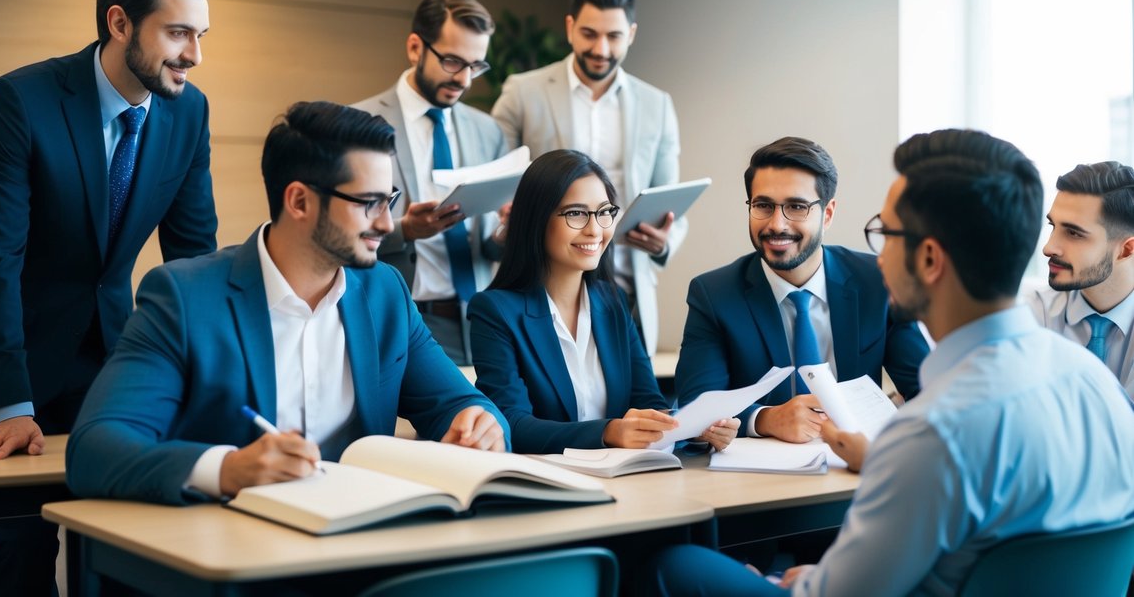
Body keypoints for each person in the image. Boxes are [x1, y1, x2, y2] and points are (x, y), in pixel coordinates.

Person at [653, 129, 1134, 596]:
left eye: (886, 234)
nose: (876, 257)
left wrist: (802, 581)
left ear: (928, 258)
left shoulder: (931, 433)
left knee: (675, 564)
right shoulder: (1097, 382)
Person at [0, 0, 217, 595]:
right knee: (23, 551)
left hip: (106, 359)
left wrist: (208, 377)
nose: (192, 55)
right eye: (176, 33)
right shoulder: (20, 101)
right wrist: (11, 404)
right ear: (119, 23)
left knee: (130, 542)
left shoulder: (188, 110)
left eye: (199, 35)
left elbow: (194, 257)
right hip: (2, 360)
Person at [67, 101, 507, 505]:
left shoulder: (383, 292)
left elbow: (461, 405)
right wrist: (227, 468)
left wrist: (480, 423)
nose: (387, 223)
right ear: (299, 200)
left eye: (389, 200)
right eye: (369, 203)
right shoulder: (183, 297)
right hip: (228, 551)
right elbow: (95, 448)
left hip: (362, 541)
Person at [469, 149, 737, 454]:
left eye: (604, 211)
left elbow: (647, 402)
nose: (595, 229)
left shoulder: (613, 303)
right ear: (536, 220)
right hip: (549, 484)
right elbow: (511, 424)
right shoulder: (494, 312)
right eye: (576, 213)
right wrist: (608, 432)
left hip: (625, 479)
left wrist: (693, 428)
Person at [675, 137, 929, 443]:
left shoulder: (876, 281)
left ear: (829, 213)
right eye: (763, 205)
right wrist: (766, 418)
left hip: (857, 469)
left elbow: (925, 391)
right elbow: (695, 408)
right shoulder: (714, 293)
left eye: (796, 206)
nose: (776, 224)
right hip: (758, 479)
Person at [492, 0, 684, 355]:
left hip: (626, 289)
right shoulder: (522, 91)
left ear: (630, 34)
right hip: (541, 285)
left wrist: (665, 242)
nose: (601, 48)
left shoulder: (657, 104)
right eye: (589, 33)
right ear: (569, 28)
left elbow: (670, 199)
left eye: (613, 36)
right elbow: (494, 181)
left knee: (631, 401)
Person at [353, 0, 507, 365]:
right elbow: (338, 235)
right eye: (453, 62)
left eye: (476, 66)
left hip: (482, 320)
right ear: (415, 47)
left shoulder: (488, 131)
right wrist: (406, 229)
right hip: (403, 318)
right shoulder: (358, 124)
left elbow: (490, 247)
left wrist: (508, 233)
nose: (466, 80)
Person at [1030, 161, 1134, 399]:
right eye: (1052, 226)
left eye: (1074, 233)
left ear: (1127, 249)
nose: (1048, 248)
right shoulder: (1033, 317)